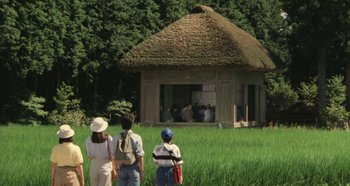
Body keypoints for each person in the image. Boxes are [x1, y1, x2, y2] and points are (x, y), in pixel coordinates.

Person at [113, 113, 145, 186]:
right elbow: (140, 156)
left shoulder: (116, 137)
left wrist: (116, 169)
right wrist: (141, 172)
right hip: (133, 167)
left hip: (121, 167)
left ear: (121, 124)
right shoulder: (136, 137)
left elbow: (113, 155)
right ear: (132, 124)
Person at [85, 117, 114, 186]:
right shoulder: (108, 138)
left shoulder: (88, 140)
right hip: (106, 165)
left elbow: (89, 156)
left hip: (94, 166)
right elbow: (112, 154)